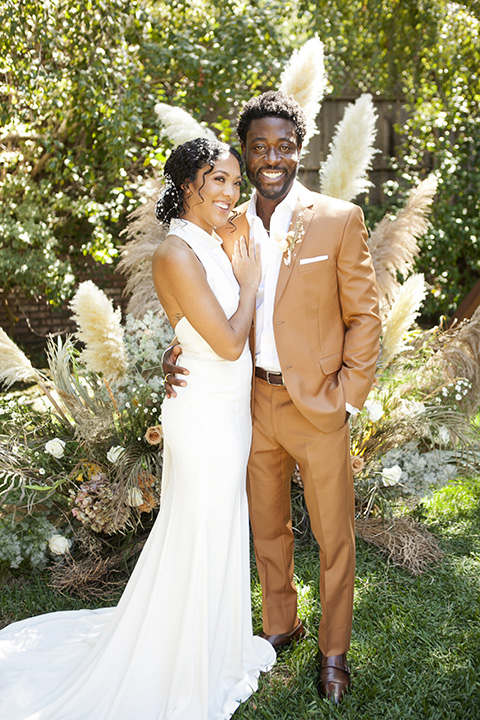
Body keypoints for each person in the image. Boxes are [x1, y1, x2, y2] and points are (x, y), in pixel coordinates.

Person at [0, 137, 275, 720]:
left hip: (227, 408)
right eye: (218, 180)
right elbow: (227, 342)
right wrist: (248, 281)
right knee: (197, 528)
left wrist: (233, 259)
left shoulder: (212, 241)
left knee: (218, 527)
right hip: (203, 413)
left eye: (234, 180)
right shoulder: (176, 251)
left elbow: (211, 330)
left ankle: (214, 645)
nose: (232, 191)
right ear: (187, 184)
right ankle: (180, 659)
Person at [163, 91, 382, 704]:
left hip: (320, 406)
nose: (271, 158)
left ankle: (333, 651)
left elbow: (366, 317)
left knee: (334, 535)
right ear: (246, 153)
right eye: (259, 147)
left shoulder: (339, 219)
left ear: (300, 150)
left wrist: (349, 398)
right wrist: (177, 348)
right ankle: (279, 626)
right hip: (250, 404)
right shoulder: (224, 223)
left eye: (283, 146)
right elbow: (195, 297)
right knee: (268, 527)